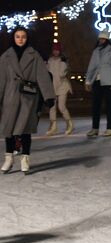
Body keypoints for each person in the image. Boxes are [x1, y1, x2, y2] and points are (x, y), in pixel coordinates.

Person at [0, 26, 55, 175]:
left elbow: (42, 76)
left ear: (27, 38)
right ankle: (9, 158)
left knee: (25, 130)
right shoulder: (6, 57)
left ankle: (25, 159)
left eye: (23, 36)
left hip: (27, 97)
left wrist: (49, 96)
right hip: (10, 97)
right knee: (9, 130)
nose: (20, 39)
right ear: (13, 38)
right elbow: (1, 80)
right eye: (17, 36)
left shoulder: (34, 55)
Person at [84, 29, 111, 137]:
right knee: (95, 106)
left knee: (110, 106)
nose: (101, 40)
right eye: (100, 38)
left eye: (103, 38)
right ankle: (95, 128)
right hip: (97, 81)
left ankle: (110, 128)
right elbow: (91, 66)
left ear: (107, 39)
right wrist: (88, 80)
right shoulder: (96, 51)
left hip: (108, 81)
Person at [46, 42, 74, 136]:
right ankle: (53, 126)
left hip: (62, 87)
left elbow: (62, 74)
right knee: (52, 107)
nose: (56, 52)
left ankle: (69, 124)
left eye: (57, 50)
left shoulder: (63, 62)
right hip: (52, 87)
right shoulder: (49, 61)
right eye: (54, 50)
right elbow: (47, 74)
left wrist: (64, 64)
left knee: (61, 107)